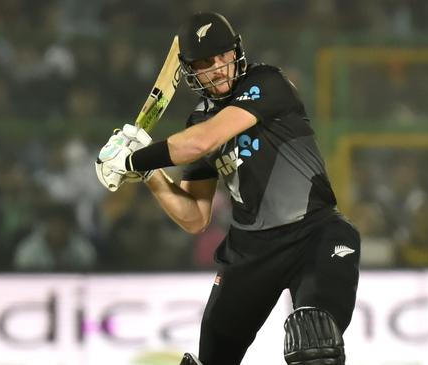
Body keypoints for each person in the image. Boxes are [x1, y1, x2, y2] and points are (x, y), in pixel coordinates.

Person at [95, 11, 360, 365]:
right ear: (190, 70)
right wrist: (149, 174)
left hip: (316, 234)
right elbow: (194, 218)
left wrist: (133, 159)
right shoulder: (198, 121)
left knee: (315, 343)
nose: (219, 67)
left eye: (224, 55)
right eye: (206, 62)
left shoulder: (266, 82)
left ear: (237, 52)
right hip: (250, 252)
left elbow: (204, 141)